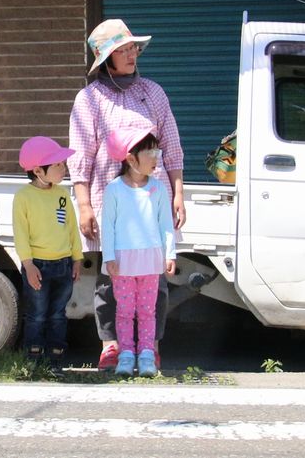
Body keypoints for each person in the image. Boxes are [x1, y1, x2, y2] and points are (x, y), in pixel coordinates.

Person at [67, 18, 186, 371]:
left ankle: (149, 347)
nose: (131, 54)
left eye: (133, 47)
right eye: (122, 50)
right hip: (111, 202)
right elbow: (81, 155)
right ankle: (112, 346)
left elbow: (172, 146)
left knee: (155, 279)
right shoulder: (89, 99)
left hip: (153, 201)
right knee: (110, 277)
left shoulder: (153, 92)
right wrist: (85, 205)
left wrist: (178, 193)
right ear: (106, 59)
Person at [101, 125, 177, 377]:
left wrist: (170, 254)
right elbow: (107, 226)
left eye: (157, 151)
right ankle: (125, 354)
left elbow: (166, 223)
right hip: (122, 262)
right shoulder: (114, 189)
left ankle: (146, 353)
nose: (156, 157)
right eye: (150, 152)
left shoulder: (157, 188)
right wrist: (109, 257)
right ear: (131, 159)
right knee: (123, 311)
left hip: (150, 260)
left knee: (147, 311)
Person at [12, 136, 82, 377]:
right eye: (58, 165)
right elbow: (20, 234)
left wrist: (77, 258)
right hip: (37, 266)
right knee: (37, 314)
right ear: (38, 170)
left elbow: (71, 227)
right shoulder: (23, 197)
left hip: (63, 265)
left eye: (63, 164)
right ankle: (32, 359)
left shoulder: (62, 194)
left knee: (58, 314)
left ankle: (55, 359)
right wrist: (28, 264)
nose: (63, 168)